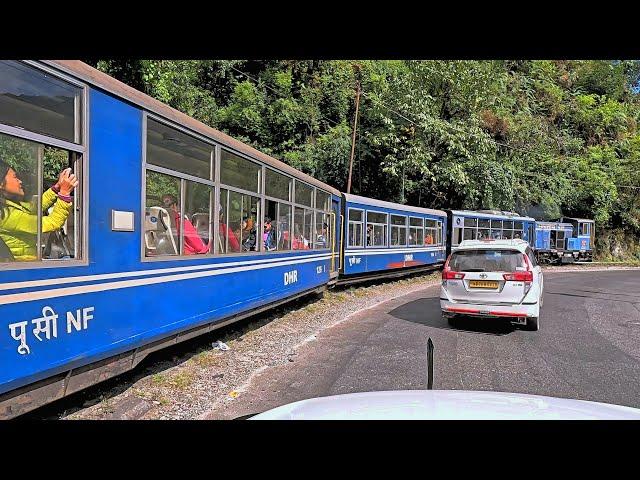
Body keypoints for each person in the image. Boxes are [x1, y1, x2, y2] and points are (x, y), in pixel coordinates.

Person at [0, 160, 77, 261]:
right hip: (24, 267)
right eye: (15, 177)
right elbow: (53, 222)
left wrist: (57, 188)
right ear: (1, 184)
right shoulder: (6, 216)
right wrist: (64, 193)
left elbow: (35, 207)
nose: (20, 181)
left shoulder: (8, 205)